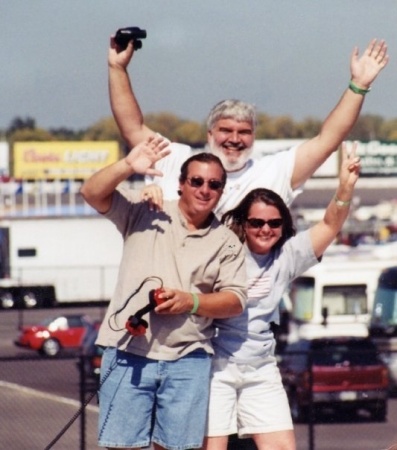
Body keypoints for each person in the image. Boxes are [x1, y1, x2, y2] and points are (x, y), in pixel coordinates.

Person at [80, 135, 247, 450]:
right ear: (181, 184)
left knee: (177, 448)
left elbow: (236, 300)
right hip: (128, 351)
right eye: (196, 181)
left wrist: (191, 301)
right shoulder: (146, 210)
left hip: (188, 358)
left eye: (214, 185)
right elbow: (91, 192)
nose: (204, 190)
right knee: (121, 446)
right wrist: (128, 165)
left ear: (221, 192)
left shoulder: (227, 242)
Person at [107, 36, 388, 216]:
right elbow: (132, 128)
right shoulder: (174, 158)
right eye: (226, 130)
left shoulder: (272, 172)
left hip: (245, 309)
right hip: (176, 305)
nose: (234, 139)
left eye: (244, 132)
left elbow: (327, 139)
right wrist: (118, 69)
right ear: (209, 134)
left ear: (254, 137)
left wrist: (358, 85)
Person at [203, 141, 361, 450]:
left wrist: (345, 187)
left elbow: (330, 224)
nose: (265, 229)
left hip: (261, 366)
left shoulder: (287, 255)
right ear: (244, 224)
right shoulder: (221, 252)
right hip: (216, 367)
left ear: (283, 225)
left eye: (274, 223)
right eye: (257, 222)